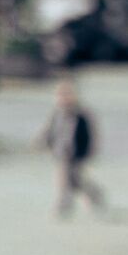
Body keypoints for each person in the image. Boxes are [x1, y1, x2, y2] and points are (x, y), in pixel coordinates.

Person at [44, 76, 103, 216]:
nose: (64, 98)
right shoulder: (57, 113)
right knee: (64, 180)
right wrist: (43, 141)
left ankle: (94, 194)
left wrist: (89, 151)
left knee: (77, 180)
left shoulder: (81, 115)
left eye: (68, 94)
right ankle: (64, 205)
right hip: (61, 153)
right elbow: (49, 130)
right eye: (61, 95)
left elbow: (90, 135)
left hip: (77, 153)